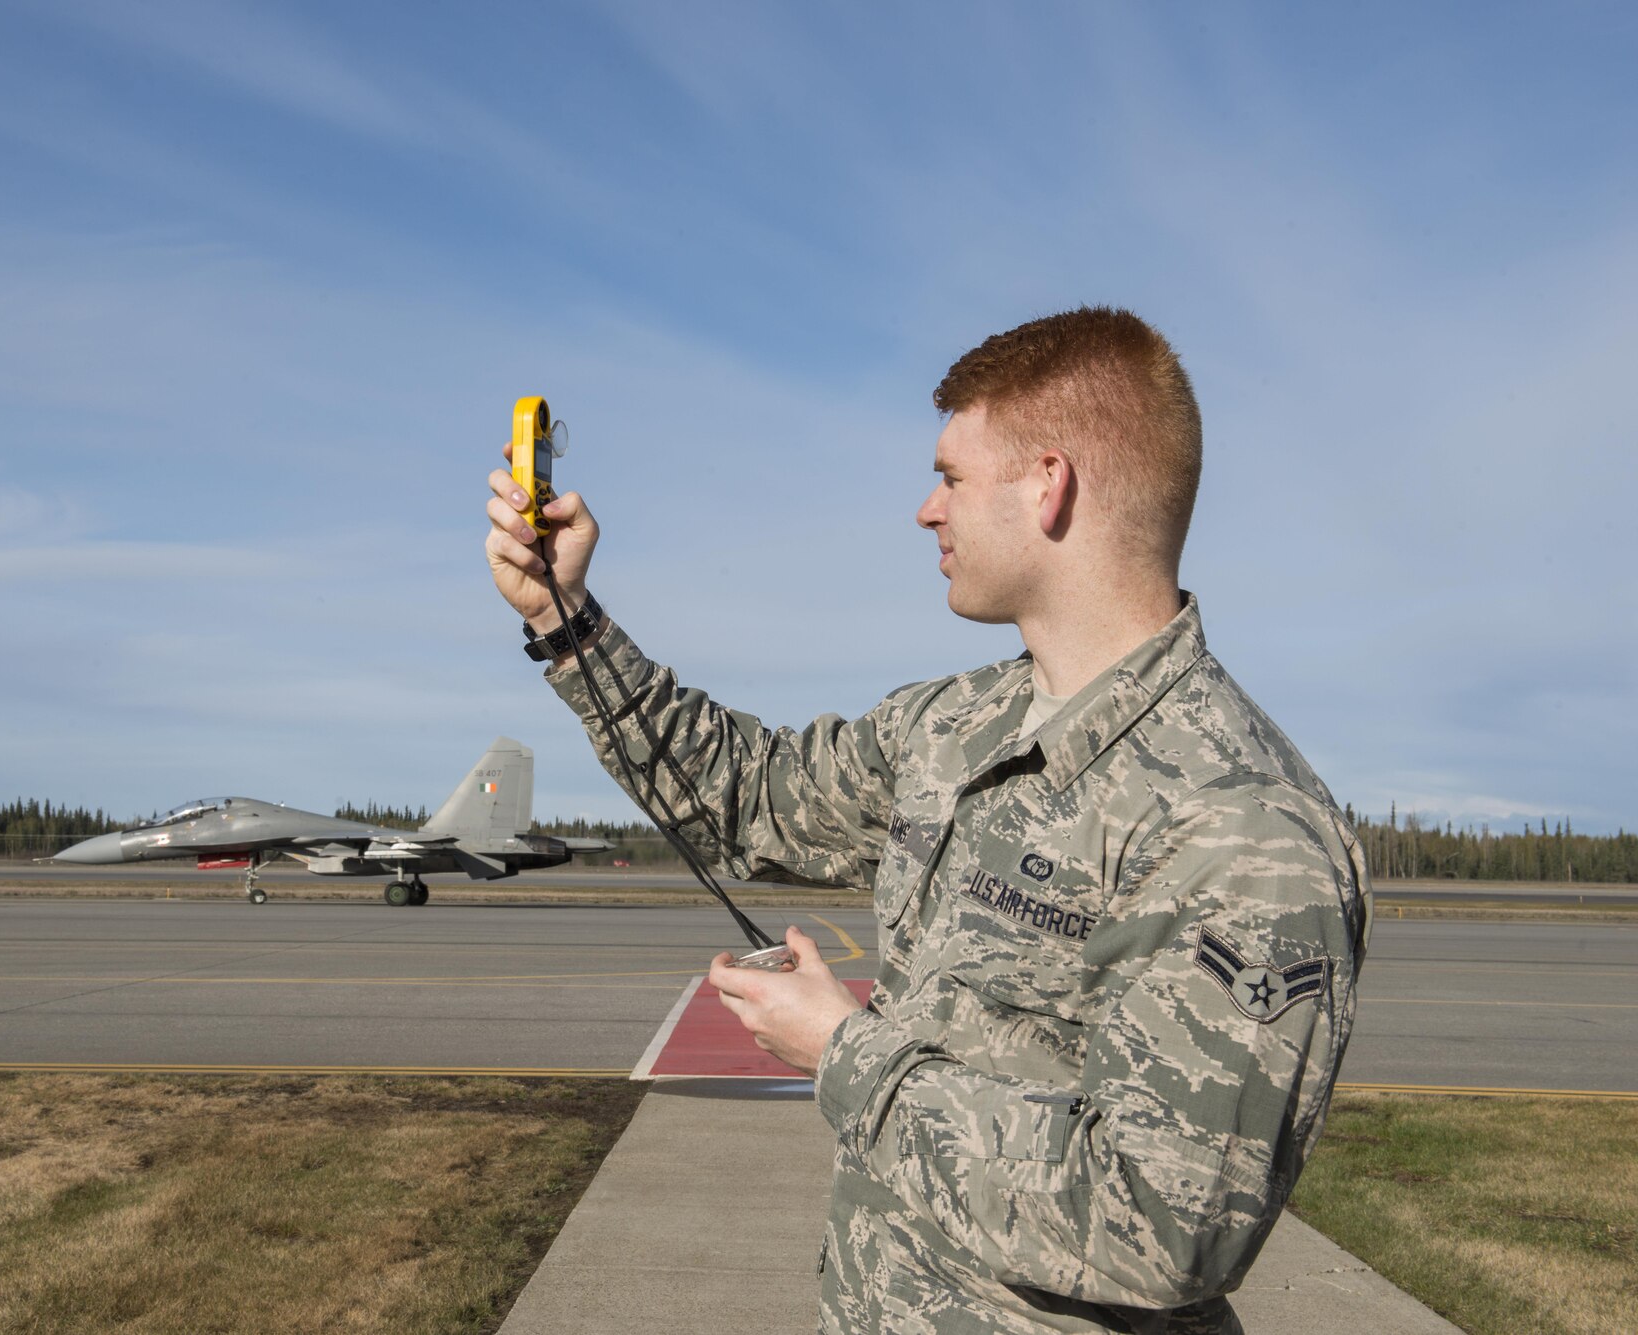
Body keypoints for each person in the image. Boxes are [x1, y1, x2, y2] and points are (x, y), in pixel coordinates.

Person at [482, 307, 1370, 1335]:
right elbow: (750, 797)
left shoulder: (1243, 829)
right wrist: (563, 619)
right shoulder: (953, 725)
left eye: (949, 476)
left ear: (1048, 484)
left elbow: (1164, 1229)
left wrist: (841, 1050)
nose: (923, 510)